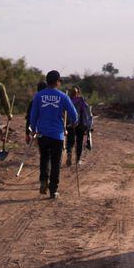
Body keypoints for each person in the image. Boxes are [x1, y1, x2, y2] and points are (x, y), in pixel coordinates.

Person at [29, 70, 77, 199]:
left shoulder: (38, 96)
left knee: (44, 158)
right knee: (56, 163)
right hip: (57, 135)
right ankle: (53, 190)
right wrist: (73, 124)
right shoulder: (63, 96)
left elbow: (33, 115)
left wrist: (33, 128)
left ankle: (43, 179)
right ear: (57, 82)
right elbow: (74, 115)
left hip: (42, 134)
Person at [65, 86, 94, 166]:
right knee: (79, 142)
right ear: (78, 93)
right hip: (80, 124)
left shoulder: (67, 100)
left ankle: (69, 153)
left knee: (70, 140)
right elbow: (87, 112)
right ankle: (77, 159)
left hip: (70, 124)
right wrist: (89, 125)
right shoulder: (81, 100)